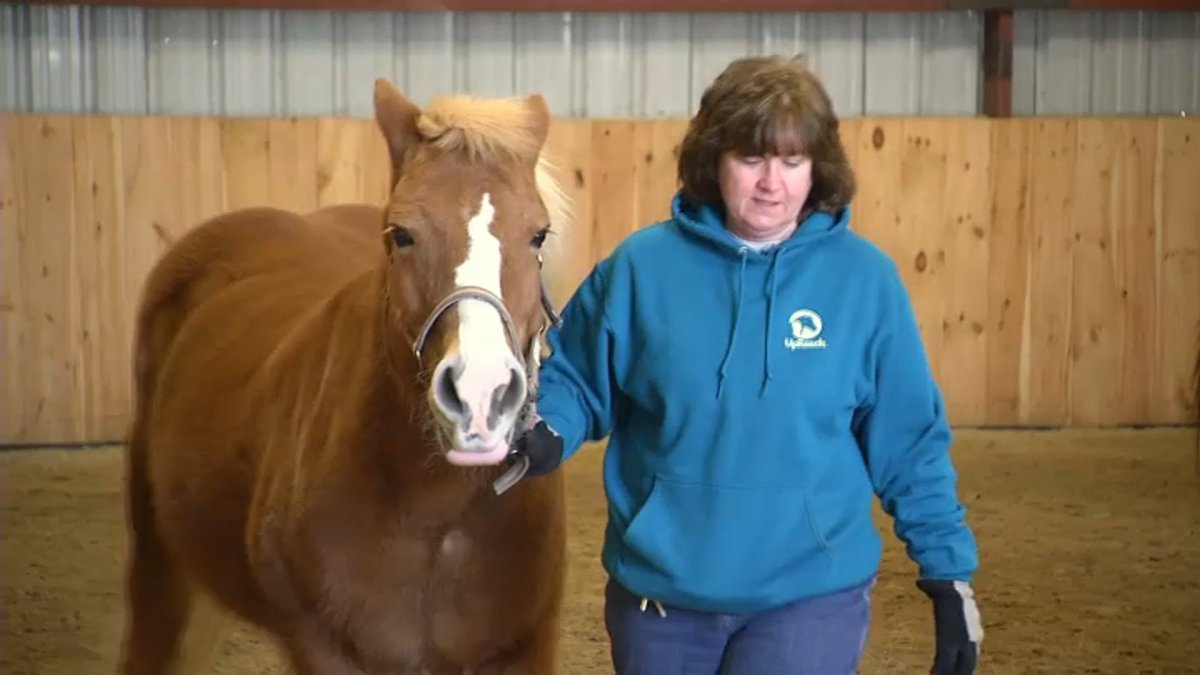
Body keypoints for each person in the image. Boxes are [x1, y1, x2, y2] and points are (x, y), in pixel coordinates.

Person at [511, 54, 983, 675]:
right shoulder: (639, 269)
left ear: (818, 169)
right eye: (752, 159)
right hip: (662, 597)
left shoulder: (864, 283)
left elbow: (910, 442)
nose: (772, 183)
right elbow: (574, 376)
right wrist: (551, 425)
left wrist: (949, 575)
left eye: (792, 162)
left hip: (808, 595)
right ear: (713, 161)